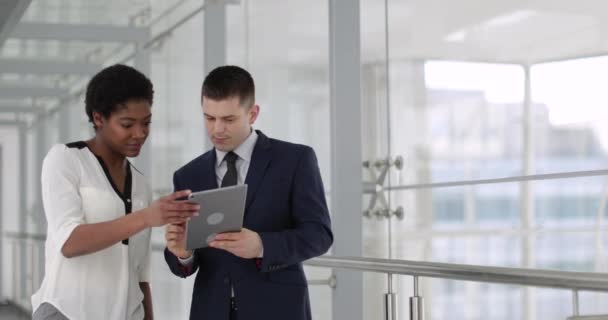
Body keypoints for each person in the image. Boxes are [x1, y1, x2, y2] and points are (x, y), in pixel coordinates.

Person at [163, 65, 333, 320]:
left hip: (278, 310)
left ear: (253, 114)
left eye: (228, 119)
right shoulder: (188, 175)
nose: (217, 129)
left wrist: (262, 245)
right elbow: (183, 263)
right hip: (211, 311)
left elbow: (319, 235)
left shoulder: (294, 160)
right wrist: (182, 253)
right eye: (209, 118)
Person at [31, 64, 200, 320]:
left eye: (146, 123)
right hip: (67, 313)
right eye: (127, 124)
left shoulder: (141, 184)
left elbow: (141, 273)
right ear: (98, 118)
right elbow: (69, 242)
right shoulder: (65, 159)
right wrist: (145, 217)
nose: (140, 133)